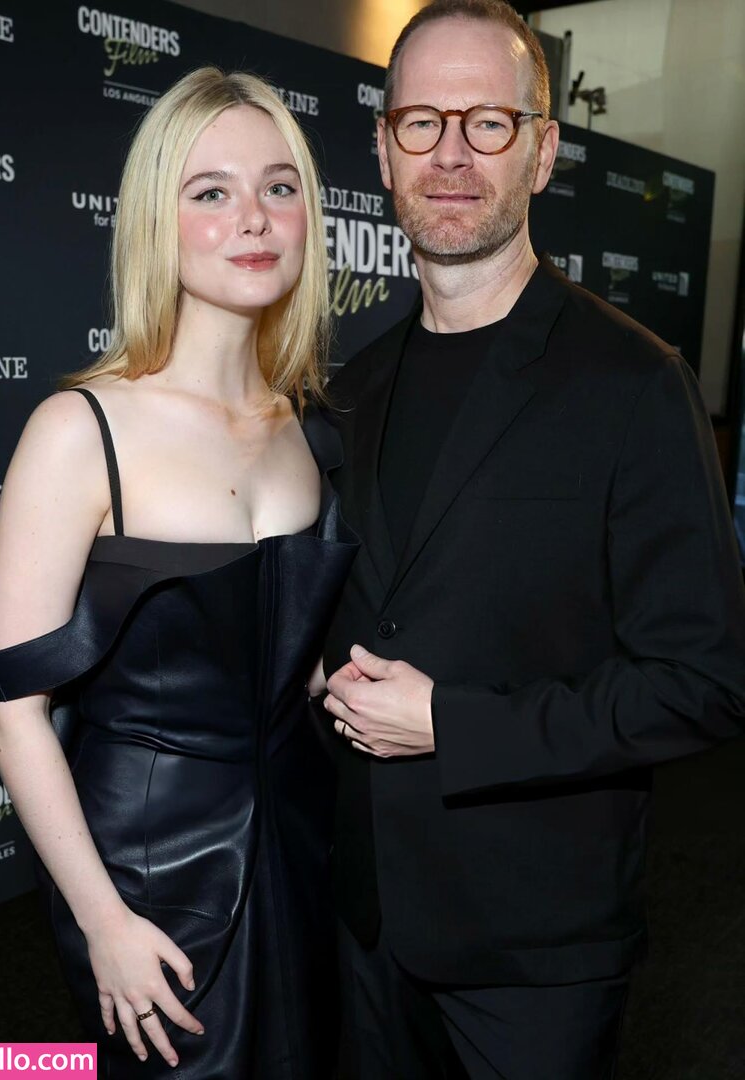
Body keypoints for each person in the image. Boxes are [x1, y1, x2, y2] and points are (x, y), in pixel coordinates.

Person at [321, 2, 745, 1077]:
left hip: (535, 956)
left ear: (544, 152)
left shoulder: (634, 383)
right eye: (421, 122)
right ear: (384, 150)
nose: (450, 154)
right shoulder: (350, 389)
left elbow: (702, 682)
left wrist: (450, 724)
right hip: (367, 928)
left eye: (489, 123)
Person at [0, 67, 357, 1079]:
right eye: (211, 191)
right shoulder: (80, 430)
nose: (254, 217)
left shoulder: (310, 426)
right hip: (149, 872)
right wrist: (102, 921)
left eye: (279, 187)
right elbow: (10, 709)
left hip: (305, 839)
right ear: (156, 220)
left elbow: (293, 658)